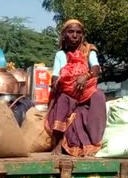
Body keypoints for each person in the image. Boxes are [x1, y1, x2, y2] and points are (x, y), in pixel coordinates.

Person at [45, 19, 107, 157]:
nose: (74, 35)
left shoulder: (89, 51)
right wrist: (56, 81)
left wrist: (85, 76)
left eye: (78, 32)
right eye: (71, 32)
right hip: (67, 93)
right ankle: (58, 142)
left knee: (99, 95)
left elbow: (96, 68)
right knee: (62, 98)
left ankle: (95, 141)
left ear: (82, 35)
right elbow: (55, 74)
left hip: (85, 93)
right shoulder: (60, 55)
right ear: (64, 35)